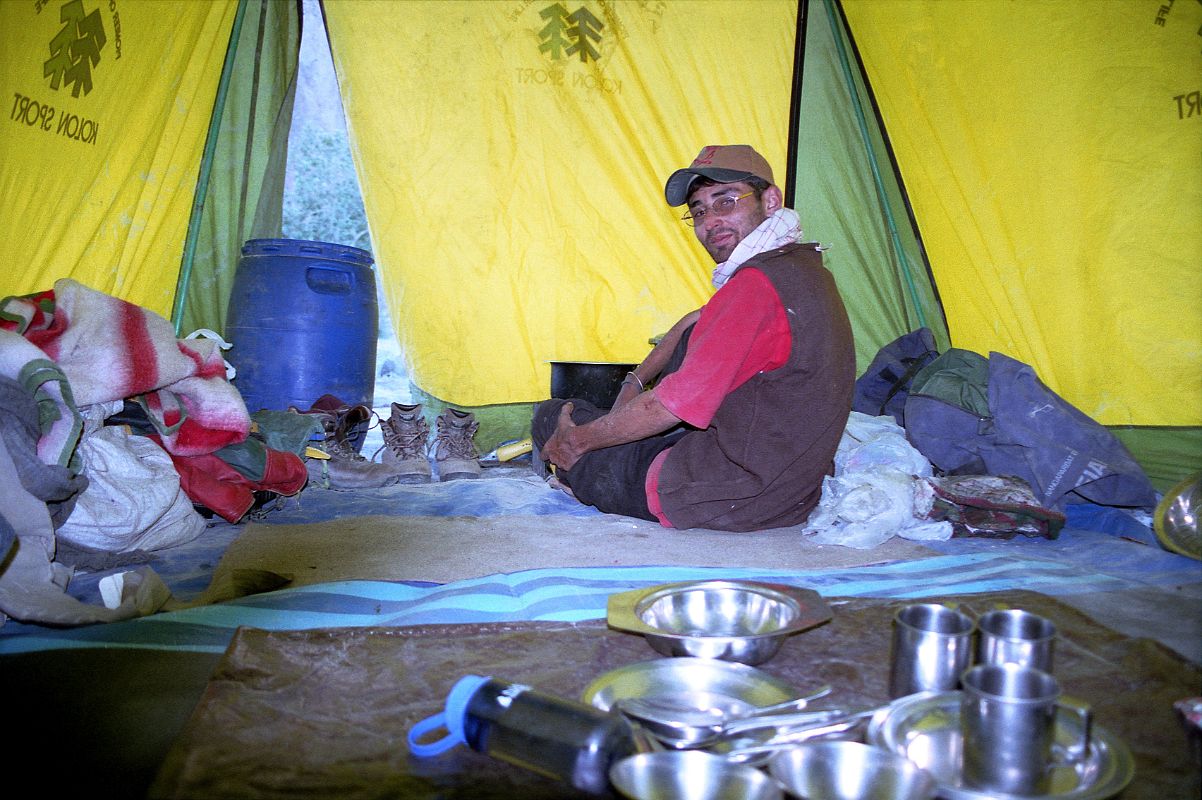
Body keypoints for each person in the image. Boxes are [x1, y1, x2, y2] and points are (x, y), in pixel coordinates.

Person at [533, 144, 854, 532]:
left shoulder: (755, 286)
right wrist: (632, 387)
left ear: (770, 201)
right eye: (699, 211)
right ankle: (583, 464)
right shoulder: (802, 269)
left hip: (720, 496)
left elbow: (669, 408)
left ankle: (571, 474)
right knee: (613, 427)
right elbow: (693, 323)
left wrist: (577, 443)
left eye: (726, 201)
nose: (710, 221)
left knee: (555, 415)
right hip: (790, 492)